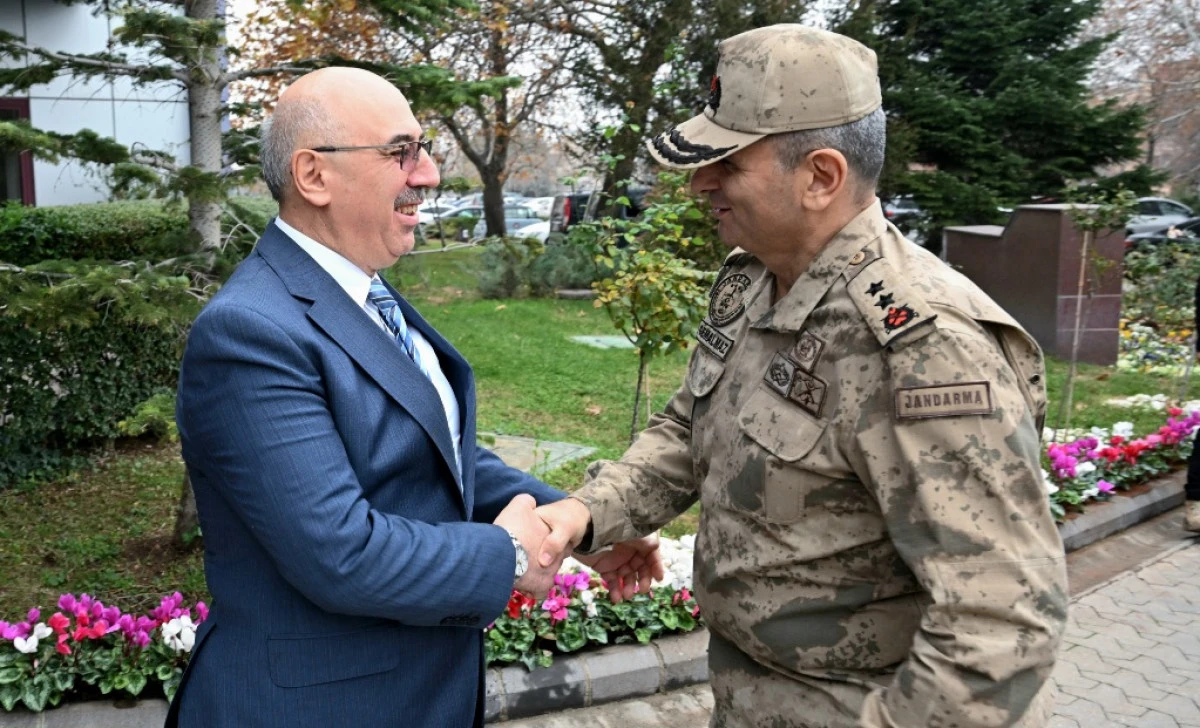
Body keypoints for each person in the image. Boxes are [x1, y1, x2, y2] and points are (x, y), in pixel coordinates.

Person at [538, 24, 1069, 728]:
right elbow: (690, 424)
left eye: (727, 164)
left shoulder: (923, 348)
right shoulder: (755, 277)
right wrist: (586, 513)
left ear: (820, 177)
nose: (700, 183)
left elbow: (1001, 619)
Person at [170, 67, 654, 728]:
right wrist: (511, 555)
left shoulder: (361, 289)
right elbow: (341, 553)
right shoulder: (249, 332)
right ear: (314, 175)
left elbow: (433, 452)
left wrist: (574, 525)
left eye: (422, 150)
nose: (428, 174)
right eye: (401, 152)